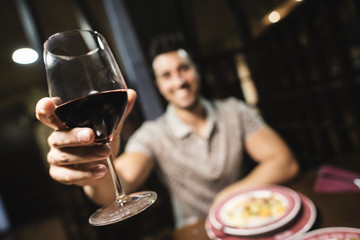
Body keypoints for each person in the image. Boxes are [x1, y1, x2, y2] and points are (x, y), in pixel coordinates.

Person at [35, 34, 299, 228]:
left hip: (253, 220)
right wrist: (94, 166)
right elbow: (112, 189)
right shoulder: (154, 134)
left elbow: (285, 162)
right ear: (158, 85)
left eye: (184, 69)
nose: (179, 81)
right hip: (196, 232)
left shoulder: (234, 111)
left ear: (196, 71)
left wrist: (227, 197)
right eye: (167, 75)